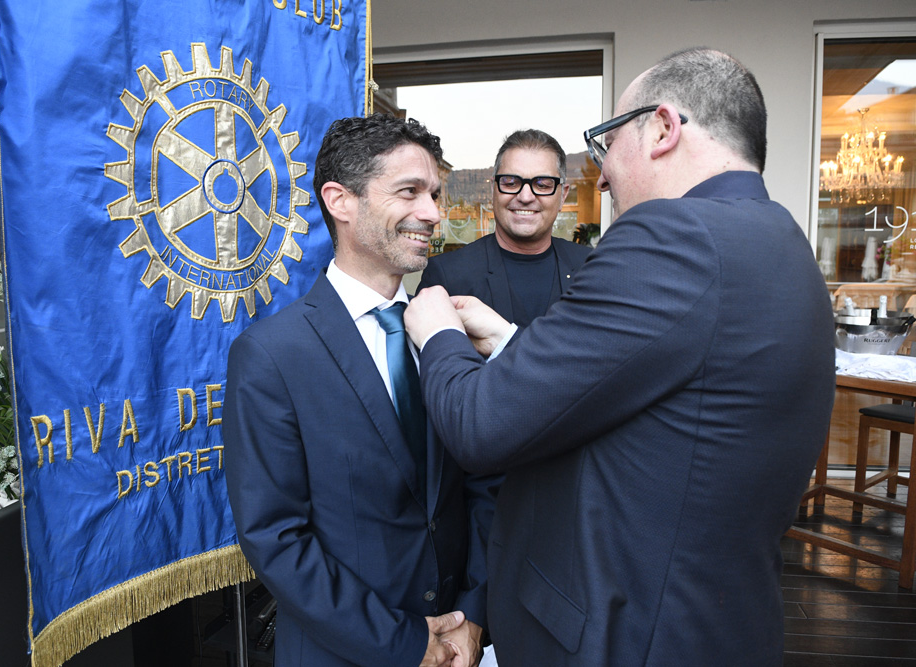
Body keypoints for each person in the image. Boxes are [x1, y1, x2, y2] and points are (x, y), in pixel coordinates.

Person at [404, 48, 835, 666]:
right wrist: (509, 339)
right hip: (718, 624)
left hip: (627, 634)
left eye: (608, 141)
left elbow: (480, 425)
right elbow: (665, 394)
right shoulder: (785, 243)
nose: (600, 176)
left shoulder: (672, 237)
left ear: (662, 128)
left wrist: (439, 332)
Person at [223, 113, 498, 667]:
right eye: (410, 192)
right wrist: (405, 642)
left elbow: (484, 485)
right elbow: (276, 538)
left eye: (435, 195)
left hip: (462, 646)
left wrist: (473, 616)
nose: (434, 213)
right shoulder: (272, 355)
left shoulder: (445, 331)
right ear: (340, 200)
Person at [417, 130, 591, 328]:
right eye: (511, 183)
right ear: (493, 190)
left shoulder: (593, 270)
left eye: (542, 185)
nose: (525, 197)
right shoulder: (447, 276)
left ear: (563, 196)